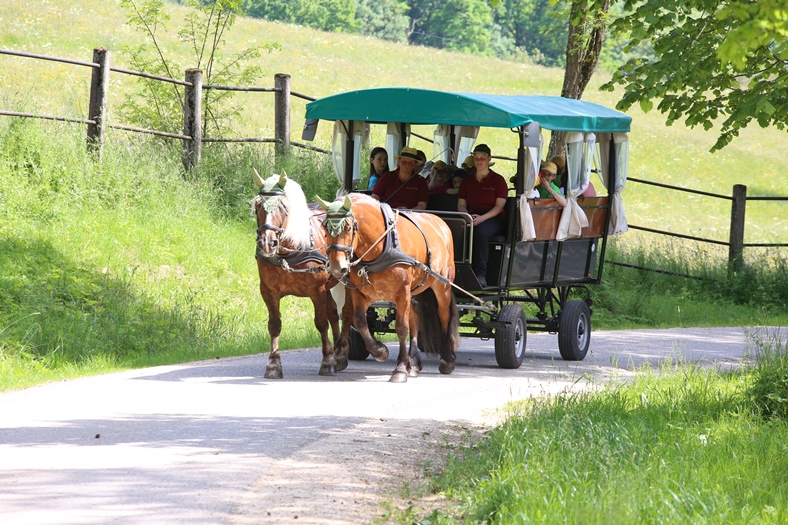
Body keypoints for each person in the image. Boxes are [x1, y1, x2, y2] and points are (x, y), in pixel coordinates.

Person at [457, 144, 508, 287]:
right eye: (476, 158)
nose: (479, 161)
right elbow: (461, 204)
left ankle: (480, 274)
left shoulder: (498, 180)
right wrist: (467, 216)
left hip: (493, 218)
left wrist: (481, 218)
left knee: (480, 232)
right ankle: (457, 272)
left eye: (482, 158)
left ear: (489, 159)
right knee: (456, 230)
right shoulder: (467, 181)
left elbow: (499, 207)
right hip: (471, 216)